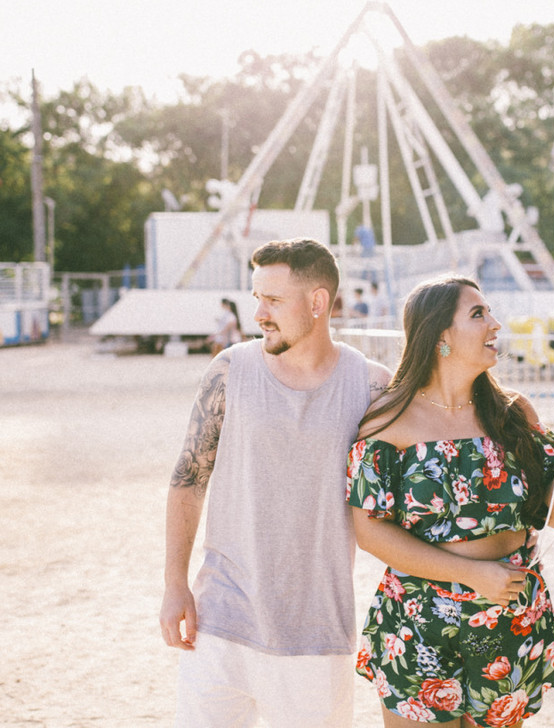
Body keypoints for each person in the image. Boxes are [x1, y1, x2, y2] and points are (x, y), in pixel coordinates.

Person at [160, 237, 392, 727]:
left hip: (318, 634)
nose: (259, 313)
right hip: (220, 620)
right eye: (256, 298)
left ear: (317, 302)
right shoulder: (229, 370)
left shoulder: (371, 386)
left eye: (273, 300)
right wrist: (174, 583)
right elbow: (188, 478)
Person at [347, 274, 554, 726]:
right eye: (478, 314)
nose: (495, 324)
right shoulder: (389, 420)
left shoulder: (512, 412)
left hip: (509, 617)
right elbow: (369, 531)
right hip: (420, 621)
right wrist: (473, 574)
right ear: (440, 334)